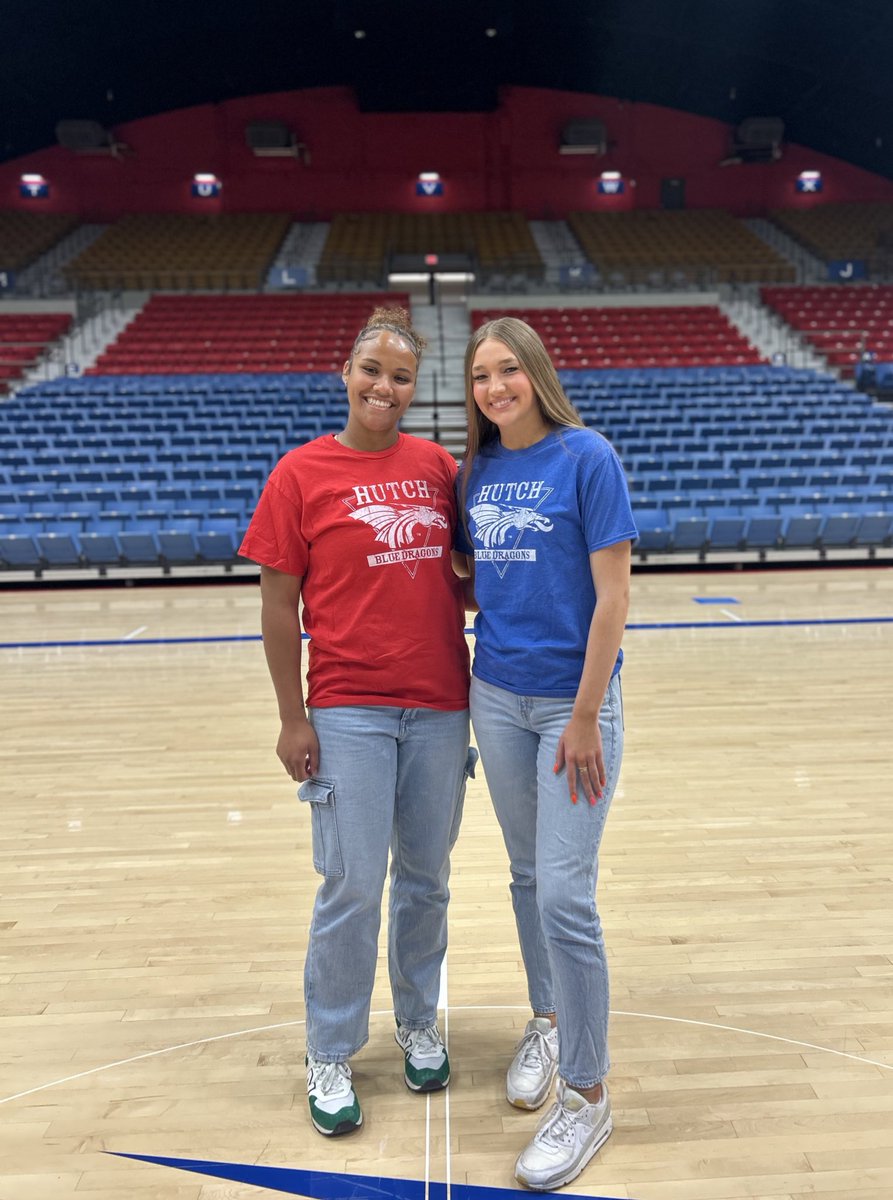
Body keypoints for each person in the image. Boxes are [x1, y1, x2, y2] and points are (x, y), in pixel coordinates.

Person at [239, 306, 474, 1137]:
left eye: (400, 376)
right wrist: (291, 718)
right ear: (345, 373)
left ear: (414, 387)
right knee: (351, 884)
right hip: (346, 709)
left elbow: (467, 576)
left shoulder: (438, 467)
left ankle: (417, 1023)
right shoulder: (299, 474)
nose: (384, 386)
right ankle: (330, 1050)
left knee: (427, 880)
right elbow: (277, 608)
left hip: (441, 705)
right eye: (371, 369)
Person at [456, 316, 637, 1191]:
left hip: (574, 706)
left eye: (507, 370)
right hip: (495, 695)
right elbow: (478, 580)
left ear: (535, 372)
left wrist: (586, 713)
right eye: (480, 376)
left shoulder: (586, 457)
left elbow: (612, 598)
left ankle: (588, 1095)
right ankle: (550, 1020)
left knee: (566, 894)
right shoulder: (476, 471)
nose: (494, 388)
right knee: (528, 877)